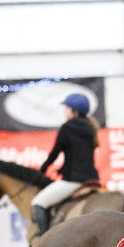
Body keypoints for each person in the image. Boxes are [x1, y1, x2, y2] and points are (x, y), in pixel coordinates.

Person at [31, 93, 100, 236]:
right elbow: (79, 154)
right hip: (92, 179)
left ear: (74, 110)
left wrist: (43, 169)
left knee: (38, 203)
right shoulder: (90, 127)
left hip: (73, 181)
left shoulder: (67, 127)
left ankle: (44, 240)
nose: (64, 111)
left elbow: (55, 153)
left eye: (67, 108)